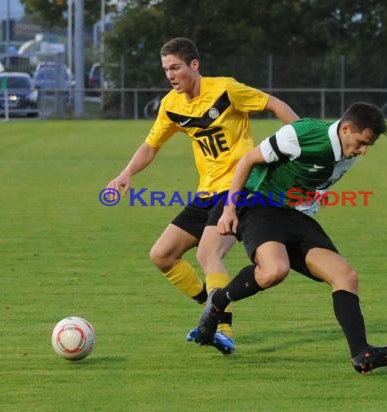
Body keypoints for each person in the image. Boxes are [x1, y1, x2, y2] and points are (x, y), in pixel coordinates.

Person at [105, 37, 298, 355]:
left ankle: (221, 328)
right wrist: (126, 173)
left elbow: (275, 104)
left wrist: (304, 137)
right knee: (162, 255)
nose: (170, 74)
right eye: (166, 68)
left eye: (175, 67)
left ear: (194, 65)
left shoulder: (226, 89)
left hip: (240, 187)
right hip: (206, 191)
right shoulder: (172, 105)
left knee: (208, 255)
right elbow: (151, 146)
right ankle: (213, 307)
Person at [197, 102, 387, 373]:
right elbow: (248, 160)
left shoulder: (348, 154)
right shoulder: (303, 134)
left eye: (368, 146)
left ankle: (361, 353)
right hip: (256, 202)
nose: (363, 151)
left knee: (345, 276)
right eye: (361, 143)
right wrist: (229, 209)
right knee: (275, 270)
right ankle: (218, 301)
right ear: (346, 129)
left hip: (291, 213)